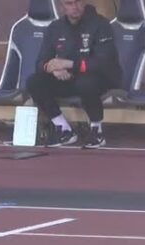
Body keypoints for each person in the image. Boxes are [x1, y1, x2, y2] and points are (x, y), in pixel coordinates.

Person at [26, 0, 120, 148]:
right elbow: (41, 62)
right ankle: (63, 129)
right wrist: (54, 69)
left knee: (86, 81)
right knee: (34, 81)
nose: (75, 7)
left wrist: (69, 65)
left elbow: (102, 63)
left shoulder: (101, 24)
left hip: (99, 79)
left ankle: (97, 130)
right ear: (62, 7)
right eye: (69, 3)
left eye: (78, 2)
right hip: (67, 78)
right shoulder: (55, 27)